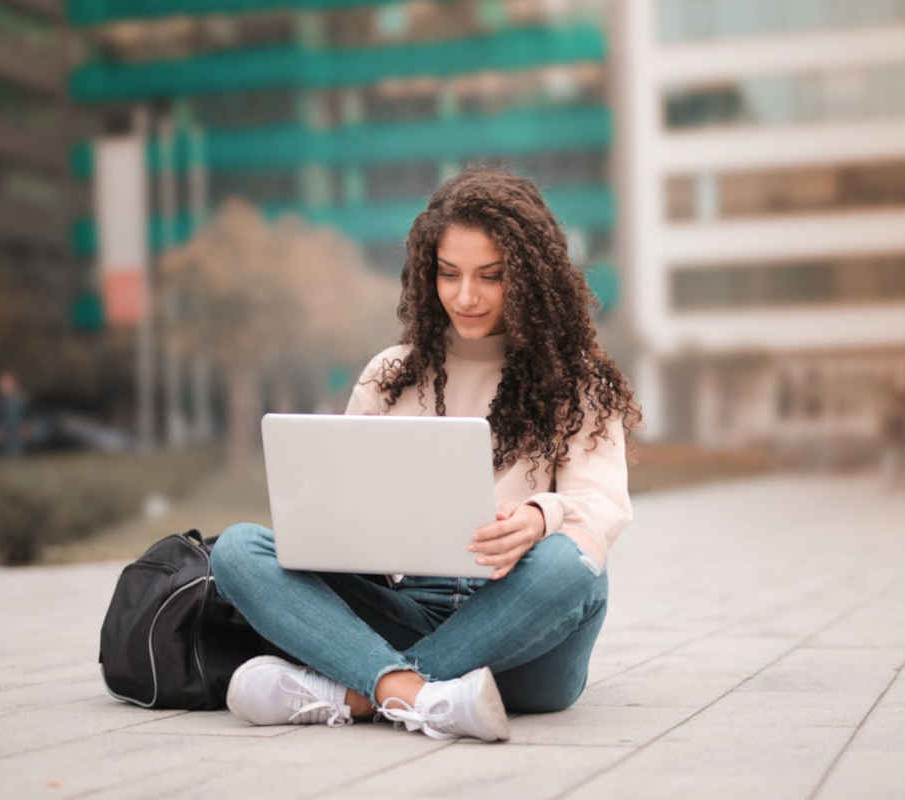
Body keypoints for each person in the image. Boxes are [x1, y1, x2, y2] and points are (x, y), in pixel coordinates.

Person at [209, 168, 640, 742]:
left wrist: (542, 517)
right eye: (449, 274)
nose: (466, 296)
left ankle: (363, 693)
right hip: (408, 606)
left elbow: (602, 505)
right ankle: (422, 698)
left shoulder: (576, 381)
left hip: (524, 632)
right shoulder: (391, 374)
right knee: (238, 549)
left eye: (491, 276)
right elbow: (338, 500)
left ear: (532, 277)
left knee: (576, 566)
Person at [0, 371, 27, 457]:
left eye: (8, 382)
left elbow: (26, 415)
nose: (6, 385)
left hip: (17, 432)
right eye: (4, 383)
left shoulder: (21, 399)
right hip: (4, 434)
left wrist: (25, 427)